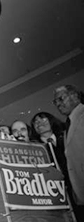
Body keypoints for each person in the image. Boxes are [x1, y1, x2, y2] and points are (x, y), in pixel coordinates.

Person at [53, 85, 84, 221]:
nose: (58, 104)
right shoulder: (67, 126)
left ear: (75, 96)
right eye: (55, 102)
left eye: (61, 98)